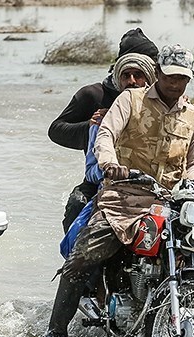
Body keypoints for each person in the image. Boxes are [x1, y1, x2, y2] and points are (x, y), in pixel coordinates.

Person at [39, 44, 194, 337]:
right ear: (159, 73)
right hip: (124, 198)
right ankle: (55, 336)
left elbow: (192, 162)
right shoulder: (130, 99)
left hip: (171, 200)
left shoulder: (190, 114)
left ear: (189, 79)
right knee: (81, 259)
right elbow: (106, 135)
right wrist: (109, 161)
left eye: (182, 78)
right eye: (169, 76)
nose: (175, 83)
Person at [48, 27, 159, 234]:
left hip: (150, 180)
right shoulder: (93, 95)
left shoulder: (158, 100)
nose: (133, 81)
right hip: (102, 178)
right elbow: (56, 130)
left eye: (141, 72)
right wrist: (91, 126)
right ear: (119, 69)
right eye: (127, 73)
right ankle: (74, 263)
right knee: (76, 205)